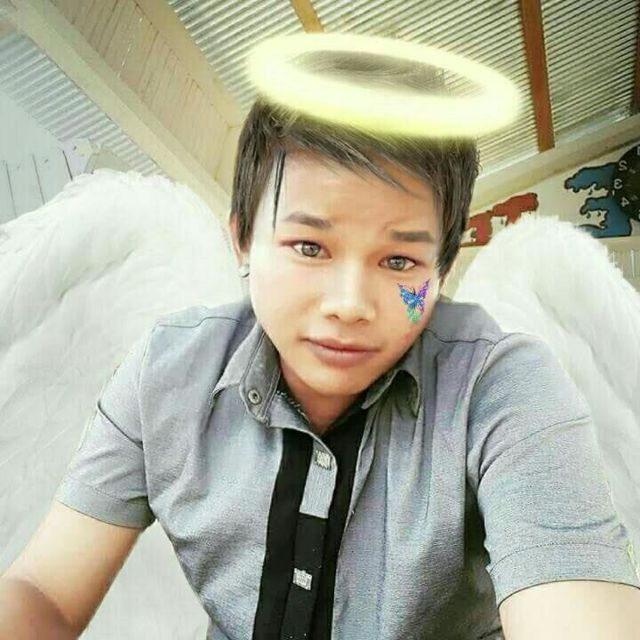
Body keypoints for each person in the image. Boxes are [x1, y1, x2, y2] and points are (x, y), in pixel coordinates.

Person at [1, 92, 639, 639]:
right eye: (309, 247)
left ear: (441, 271)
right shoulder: (166, 373)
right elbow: (45, 591)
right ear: (242, 240)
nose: (349, 305)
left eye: (399, 262)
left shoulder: (504, 388)